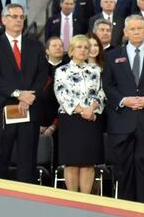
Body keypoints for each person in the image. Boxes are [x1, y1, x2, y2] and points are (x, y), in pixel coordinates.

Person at [102, 15, 144, 204]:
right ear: (125, 32)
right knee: (123, 169)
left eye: (139, 28)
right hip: (122, 122)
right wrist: (124, 100)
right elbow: (108, 85)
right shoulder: (112, 55)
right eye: (132, 29)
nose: (136, 32)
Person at [0, 4, 49, 182]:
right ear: (3, 19)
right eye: (13, 16)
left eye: (21, 17)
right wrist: (18, 94)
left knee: (27, 161)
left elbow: (42, 76)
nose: (18, 20)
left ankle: (26, 206)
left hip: (28, 110)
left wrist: (28, 97)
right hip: (2, 111)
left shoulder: (36, 46)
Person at [53, 35, 106, 194]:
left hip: (91, 120)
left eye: (85, 47)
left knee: (88, 164)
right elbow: (61, 94)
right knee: (72, 163)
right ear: (71, 50)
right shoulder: (62, 70)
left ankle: (86, 202)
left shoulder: (95, 71)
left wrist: (92, 109)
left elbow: (101, 93)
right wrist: (83, 110)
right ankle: (73, 204)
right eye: (79, 47)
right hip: (71, 120)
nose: (83, 50)